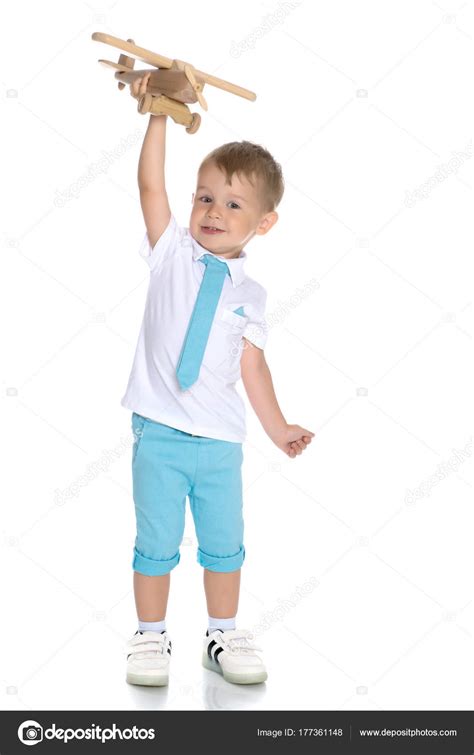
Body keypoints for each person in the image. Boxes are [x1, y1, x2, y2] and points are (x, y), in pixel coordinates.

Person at [122, 73, 314, 687]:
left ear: (264, 223)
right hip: (161, 432)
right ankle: (150, 638)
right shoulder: (172, 253)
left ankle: (221, 633)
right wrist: (160, 112)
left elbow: (251, 367)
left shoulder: (251, 295)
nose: (213, 212)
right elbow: (150, 183)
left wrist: (278, 427)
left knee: (224, 545)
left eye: (234, 204)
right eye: (205, 197)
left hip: (221, 442)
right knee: (155, 542)